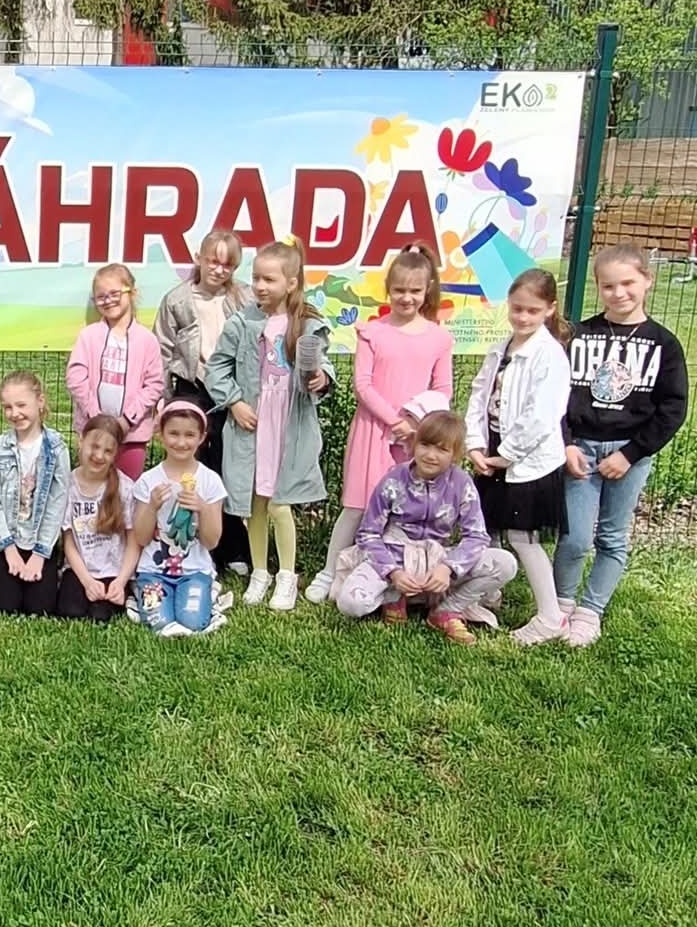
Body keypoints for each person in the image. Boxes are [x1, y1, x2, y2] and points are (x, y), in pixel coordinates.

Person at [555, 244, 690, 645]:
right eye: (608, 286)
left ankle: (590, 612)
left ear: (648, 281)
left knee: (612, 538)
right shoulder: (578, 336)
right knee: (575, 537)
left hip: (629, 455)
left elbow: (673, 408)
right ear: (598, 287)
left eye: (628, 283)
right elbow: (554, 396)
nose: (619, 293)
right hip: (581, 451)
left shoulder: (664, 344)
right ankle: (559, 607)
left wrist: (631, 454)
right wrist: (566, 444)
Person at [307, 244, 454, 604]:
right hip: (373, 432)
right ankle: (329, 571)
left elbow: (443, 389)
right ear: (388, 288)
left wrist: (418, 423)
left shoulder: (439, 338)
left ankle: (396, 576)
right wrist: (394, 420)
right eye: (399, 290)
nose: (406, 298)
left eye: (415, 290)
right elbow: (363, 385)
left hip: (416, 438)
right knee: (358, 505)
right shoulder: (372, 332)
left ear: (427, 289)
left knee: (406, 509)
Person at [205, 239, 332, 611]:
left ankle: (287, 575)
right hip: (254, 424)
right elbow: (217, 368)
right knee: (255, 502)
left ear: (291, 283)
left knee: (280, 501)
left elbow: (323, 366)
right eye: (256, 278)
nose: (260, 286)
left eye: (269, 279)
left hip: (287, 424)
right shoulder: (243, 321)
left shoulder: (308, 324)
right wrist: (234, 402)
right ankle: (259, 572)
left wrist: (320, 378)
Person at [333, 410, 518, 642]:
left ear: (455, 454)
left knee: (505, 563)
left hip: (436, 560)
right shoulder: (394, 479)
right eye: (425, 445)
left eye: (442, 449)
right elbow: (368, 533)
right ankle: (393, 596)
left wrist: (448, 568)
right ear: (415, 444)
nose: (431, 455)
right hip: (394, 556)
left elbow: (477, 536)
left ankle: (447, 610)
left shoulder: (461, 483)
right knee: (350, 603)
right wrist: (393, 572)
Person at [465, 268, 573, 646]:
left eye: (532, 311)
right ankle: (486, 591)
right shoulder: (501, 348)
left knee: (523, 536)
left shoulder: (550, 356)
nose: (523, 317)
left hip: (528, 462)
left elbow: (542, 415)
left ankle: (550, 616)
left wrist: (507, 455)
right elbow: (479, 395)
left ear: (549, 309)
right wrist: (475, 444)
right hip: (493, 451)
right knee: (486, 525)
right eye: (517, 309)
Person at [151, 227, 252, 573]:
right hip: (192, 388)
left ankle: (233, 546)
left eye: (228, 265)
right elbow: (163, 351)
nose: (219, 270)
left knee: (229, 468)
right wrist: (163, 400)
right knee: (192, 467)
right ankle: (190, 543)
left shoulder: (243, 298)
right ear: (199, 258)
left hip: (231, 391)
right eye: (213, 261)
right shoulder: (177, 300)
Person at [127, 401, 230, 636]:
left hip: (194, 570)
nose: (181, 442)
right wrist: (151, 507)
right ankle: (141, 594)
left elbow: (211, 541)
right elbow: (141, 538)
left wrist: (203, 508)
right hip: (153, 570)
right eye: (173, 433)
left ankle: (209, 594)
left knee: (192, 622)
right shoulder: (148, 481)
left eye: (189, 435)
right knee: (159, 621)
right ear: (161, 434)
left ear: (201, 437)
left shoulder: (210, 481)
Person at [0, 369, 69, 617]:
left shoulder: (57, 448)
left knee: (40, 609)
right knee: (6, 608)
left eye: (21, 405)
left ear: (40, 402)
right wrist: (8, 549)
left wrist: (40, 554)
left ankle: (52, 572)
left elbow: (57, 503)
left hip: (40, 541)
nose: (15, 413)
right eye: (7, 407)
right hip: (8, 539)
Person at [65, 264, 164, 481]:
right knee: (92, 487)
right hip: (94, 434)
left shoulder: (148, 340)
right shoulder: (88, 336)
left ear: (132, 292)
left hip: (132, 436)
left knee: (127, 490)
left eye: (114, 293)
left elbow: (154, 384)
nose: (108, 300)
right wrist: (95, 417)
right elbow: (75, 377)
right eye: (100, 297)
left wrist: (127, 420)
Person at [58, 414, 136, 622]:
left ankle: (126, 594)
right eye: (94, 446)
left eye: (108, 451)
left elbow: (133, 543)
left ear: (115, 454)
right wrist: (86, 581)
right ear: (81, 441)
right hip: (79, 568)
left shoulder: (125, 488)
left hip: (114, 570)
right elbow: (68, 541)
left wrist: (121, 582)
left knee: (100, 615)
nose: (99, 455)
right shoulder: (67, 486)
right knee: (70, 611)